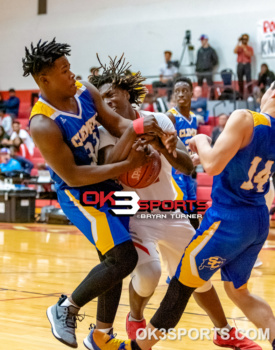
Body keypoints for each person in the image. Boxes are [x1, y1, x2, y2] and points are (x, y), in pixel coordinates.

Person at [84, 57, 261, 350]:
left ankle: (224, 331)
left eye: (110, 94)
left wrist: (162, 148)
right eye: (101, 98)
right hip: (133, 217)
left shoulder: (160, 120)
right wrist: (132, 148)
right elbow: (108, 167)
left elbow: (188, 166)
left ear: (126, 92)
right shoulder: (102, 133)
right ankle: (136, 317)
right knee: (150, 274)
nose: (107, 102)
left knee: (199, 275)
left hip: (170, 211)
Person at [22, 38, 175, 349]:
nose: (71, 74)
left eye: (69, 67)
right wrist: (125, 165)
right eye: (63, 70)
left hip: (106, 184)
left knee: (111, 262)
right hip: (80, 194)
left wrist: (145, 134)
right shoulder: (43, 123)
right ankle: (65, 308)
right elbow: (73, 175)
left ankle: (101, 336)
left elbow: (119, 123)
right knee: (123, 258)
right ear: (44, 79)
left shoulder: (83, 90)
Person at [166, 77, 198, 227]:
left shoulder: (194, 119)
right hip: (175, 170)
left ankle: (194, 243)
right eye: (177, 91)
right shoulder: (170, 116)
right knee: (181, 210)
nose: (180, 94)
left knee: (193, 208)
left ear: (192, 93)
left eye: (185, 91)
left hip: (188, 170)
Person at [234, 34, 254, 98]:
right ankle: (241, 96)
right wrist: (238, 42)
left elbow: (249, 55)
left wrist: (244, 48)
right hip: (240, 65)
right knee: (240, 81)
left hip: (247, 65)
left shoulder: (249, 48)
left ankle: (250, 95)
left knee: (248, 80)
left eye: (246, 39)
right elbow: (234, 51)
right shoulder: (239, 47)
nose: (244, 40)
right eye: (243, 39)